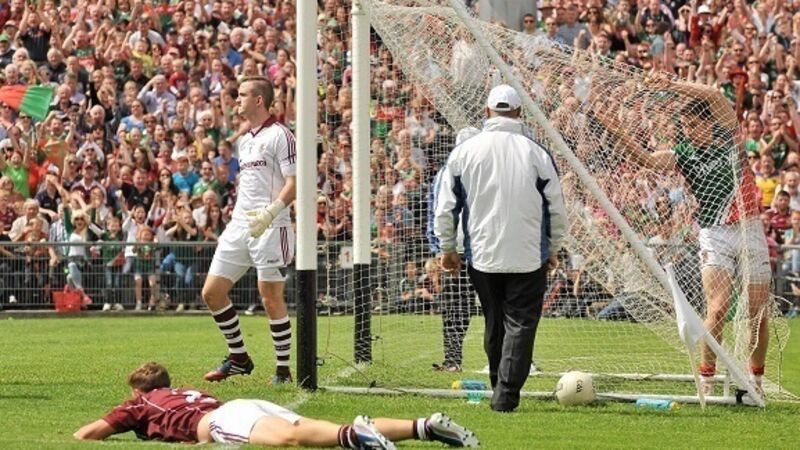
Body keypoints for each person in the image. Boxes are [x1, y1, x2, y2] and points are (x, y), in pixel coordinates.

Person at [595, 75, 772, 396]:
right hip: (714, 234)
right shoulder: (685, 154)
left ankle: (755, 382)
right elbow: (647, 160)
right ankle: (707, 380)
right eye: (685, 127)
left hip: (750, 230)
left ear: (708, 122)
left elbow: (715, 95)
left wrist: (671, 86)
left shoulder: (729, 137)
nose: (689, 132)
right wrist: (615, 128)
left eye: (693, 125)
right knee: (717, 308)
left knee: (756, 313)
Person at [433, 85, 567, 412]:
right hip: (528, 253)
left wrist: (447, 247)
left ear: (487, 111)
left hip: (482, 254)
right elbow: (556, 208)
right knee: (520, 323)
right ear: (520, 113)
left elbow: (445, 206)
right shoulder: (537, 153)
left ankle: (500, 386)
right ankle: (505, 394)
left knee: (494, 321)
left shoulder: (464, 152)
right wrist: (554, 247)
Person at [73, 362, 478, 449]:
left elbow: (86, 434)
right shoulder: (183, 392)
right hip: (245, 403)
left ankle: (358, 436)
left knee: (290, 439)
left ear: (140, 391)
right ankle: (424, 426)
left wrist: (128, 420)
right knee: (312, 429)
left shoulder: (142, 404)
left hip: (222, 419)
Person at [201, 76, 297, 384]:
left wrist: (270, 213)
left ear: (258, 100)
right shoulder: (244, 140)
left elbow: (295, 184)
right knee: (212, 293)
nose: (236, 99)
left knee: (270, 297)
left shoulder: (281, 135)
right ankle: (239, 358)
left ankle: (283, 370)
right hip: (240, 225)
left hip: (271, 226)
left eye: (242, 95)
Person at [427, 126, 480, 372]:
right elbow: (436, 212)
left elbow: (435, 212)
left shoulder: (447, 173)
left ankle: (453, 360)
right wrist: (439, 249)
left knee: (457, 307)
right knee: (459, 307)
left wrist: (439, 248)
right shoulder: (448, 173)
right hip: (470, 250)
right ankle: (453, 359)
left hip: (465, 250)